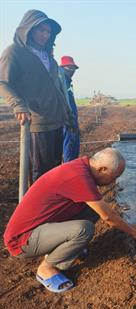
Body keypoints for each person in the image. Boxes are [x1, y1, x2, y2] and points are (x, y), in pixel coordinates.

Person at [3, 148, 136, 293]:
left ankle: (63, 249)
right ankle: (47, 268)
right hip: (22, 240)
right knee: (84, 229)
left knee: (93, 208)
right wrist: (134, 233)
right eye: (114, 176)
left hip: (41, 227)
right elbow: (108, 216)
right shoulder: (78, 177)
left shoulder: (83, 167)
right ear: (102, 169)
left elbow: (104, 211)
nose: (114, 181)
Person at [0, 9, 72, 181]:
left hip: (56, 119)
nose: (46, 35)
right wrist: (18, 105)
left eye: (48, 32)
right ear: (28, 29)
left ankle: (51, 204)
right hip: (38, 121)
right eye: (42, 30)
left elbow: (57, 88)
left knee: (55, 168)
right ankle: (38, 207)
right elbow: (3, 82)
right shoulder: (14, 52)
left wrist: (67, 114)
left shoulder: (48, 56)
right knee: (40, 172)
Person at [59, 55, 80, 162]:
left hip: (73, 119)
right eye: (69, 68)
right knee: (68, 145)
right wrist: (68, 118)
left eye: (73, 69)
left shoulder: (68, 82)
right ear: (62, 68)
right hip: (67, 120)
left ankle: (71, 164)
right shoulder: (61, 82)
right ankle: (68, 167)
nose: (72, 71)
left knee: (74, 145)